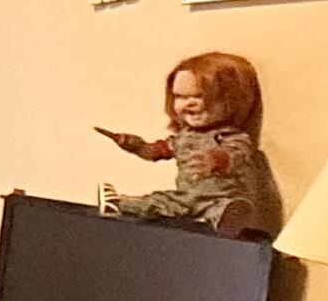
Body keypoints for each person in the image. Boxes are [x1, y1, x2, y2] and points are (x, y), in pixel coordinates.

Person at [94, 50, 281, 237]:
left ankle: (228, 219)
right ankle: (119, 203)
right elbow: (153, 151)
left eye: (199, 96)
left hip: (216, 198)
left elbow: (237, 154)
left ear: (232, 99)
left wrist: (215, 160)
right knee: (159, 201)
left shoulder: (230, 136)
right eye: (180, 97)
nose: (189, 104)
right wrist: (131, 144)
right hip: (186, 196)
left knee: (222, 208)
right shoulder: (183, 137)